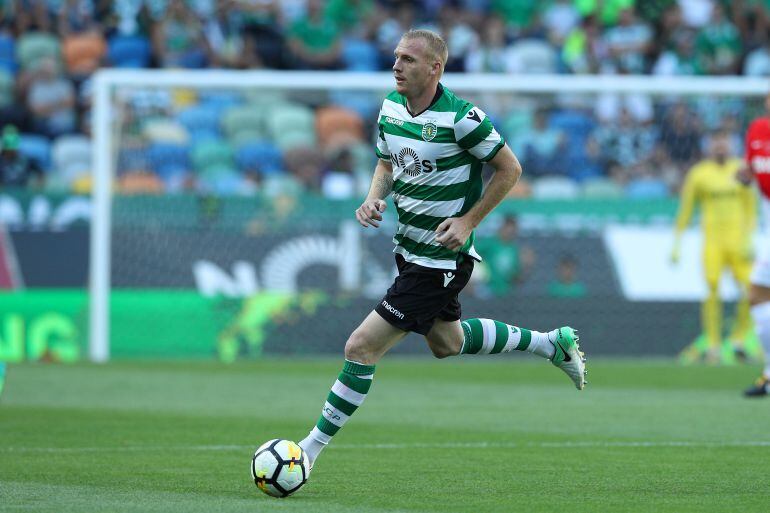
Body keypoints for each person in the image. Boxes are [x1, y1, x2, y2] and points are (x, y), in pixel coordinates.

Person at [296, 29, 587, 470]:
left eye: (409, 59)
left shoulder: (463, 118)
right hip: (408, 249)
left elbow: (510, 168)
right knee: (446, 343)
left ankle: (307, 452)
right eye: (396, 57)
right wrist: (373, 197)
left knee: (360, 347)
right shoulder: (391, 107)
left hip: (440, 259)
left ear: (435, 68)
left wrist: (470, 221)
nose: (397, 65)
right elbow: (386, 161)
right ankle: (551, 344)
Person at [671, 130, 756, 364]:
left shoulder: (741, 169)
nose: (720, 146)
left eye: (724, 141)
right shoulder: (699, 174)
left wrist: (749, 238)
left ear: (730, 144)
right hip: (713, 241)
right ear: (709, 145)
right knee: (712, 288)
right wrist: (676, 243)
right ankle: (714, 343)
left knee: (750, 290)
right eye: (716, 142)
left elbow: (751, 207)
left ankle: (739, 338)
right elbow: (686, 209)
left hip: (738, 241)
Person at [739, 94, 770, 396]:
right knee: (759, 296)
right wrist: (746, 175)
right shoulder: (759, 131)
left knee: (758, 295)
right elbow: (753, 172)